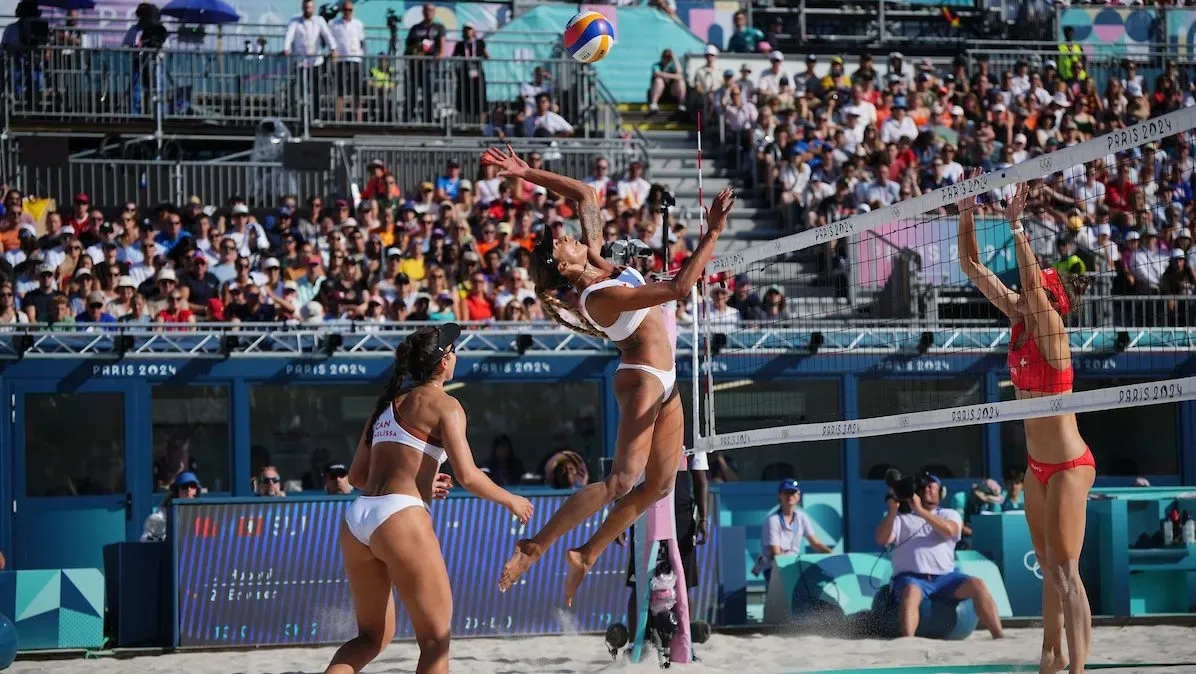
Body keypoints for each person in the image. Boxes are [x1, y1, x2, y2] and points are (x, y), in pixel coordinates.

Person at [483, 143, 735, 606]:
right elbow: (679, 288)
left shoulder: (597, 260)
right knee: (621, 482)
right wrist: (713, 231)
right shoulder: (597, 297)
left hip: (666, 379)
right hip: (641, 378)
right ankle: (534, 545)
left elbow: (584, 194)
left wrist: (525, 172)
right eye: (562, 241)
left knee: (659, 485)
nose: (568, 235)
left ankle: (586, 552)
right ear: (563, 265)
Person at [324, 324, 532, 674]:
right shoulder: (446, 405)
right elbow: (468, 475)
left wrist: (420, 478)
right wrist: (510, 499)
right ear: (443, 362)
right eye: (454, 349)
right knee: (435, 641)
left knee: (371, 638)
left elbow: (357, 478)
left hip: (358, 518)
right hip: (399, 516)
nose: (458, 355)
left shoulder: (386, 406)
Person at [957, 177, 1093, 672]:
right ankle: (1050, 659)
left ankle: (1076, 668)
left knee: (1066, 574)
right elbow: (972, 267)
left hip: (1069, 466)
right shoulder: (1019, 318)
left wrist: (1017, 228)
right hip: (1038, 465)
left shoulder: (1054, 332)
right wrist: (965, 212)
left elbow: (1032, 287)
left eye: (1038, 291)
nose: (1022, 294)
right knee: (1050, 575)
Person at [875, 472, 1005, 640]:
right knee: (911, 591)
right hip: (912, 578)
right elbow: (881, 539)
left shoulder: (948, 514)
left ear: (941, 493)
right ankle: (908, 641)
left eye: (932, 487)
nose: (928, 489)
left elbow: (949, 530)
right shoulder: (901, 518)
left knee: (977, 584)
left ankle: (999, 635)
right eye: (925, 486)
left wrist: (920, 511)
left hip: (945, 578)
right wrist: (892, 510)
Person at [754, 479, 832, 585]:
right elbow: (776, 555)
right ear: (779, 496)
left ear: (798, 496)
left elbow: (816, 544)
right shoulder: (773, 520)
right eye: (786, 493)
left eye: (793, 493)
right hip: (774, 568)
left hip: (793, 567)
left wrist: (832, 554)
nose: (790, 496)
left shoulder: (802, 517)